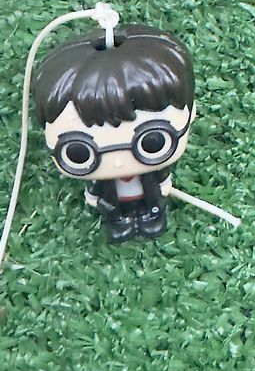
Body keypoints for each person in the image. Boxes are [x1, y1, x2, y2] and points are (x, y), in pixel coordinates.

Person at [33, 25, 195, 242]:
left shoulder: (151, 174)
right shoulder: (104, 183)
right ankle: (120, 223)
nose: (118, 163)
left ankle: (151, 219)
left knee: (153, 213)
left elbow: (161, 178)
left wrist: (163, 186)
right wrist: (94, 195)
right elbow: (95, 189)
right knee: (117, 218)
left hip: (149, 198)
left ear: (192, 113)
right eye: (79, 153)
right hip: (115, 204)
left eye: (153, 142)